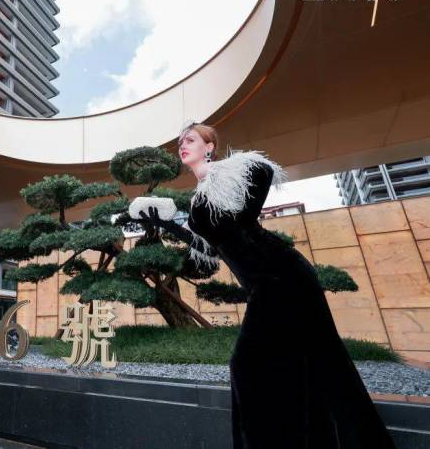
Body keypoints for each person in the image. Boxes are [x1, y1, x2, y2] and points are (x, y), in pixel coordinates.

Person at [138, 123, 396, 448]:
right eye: (179, 143)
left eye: (189, 139)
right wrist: (163, 222)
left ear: (209, 146)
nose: (181, 146)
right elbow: (210, 248)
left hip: (282, 274)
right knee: (305, 361)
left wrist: (237, 210)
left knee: (247, 364)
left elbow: (263, 171)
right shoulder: (200, 197)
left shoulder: (230, 172)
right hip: (262, 284)